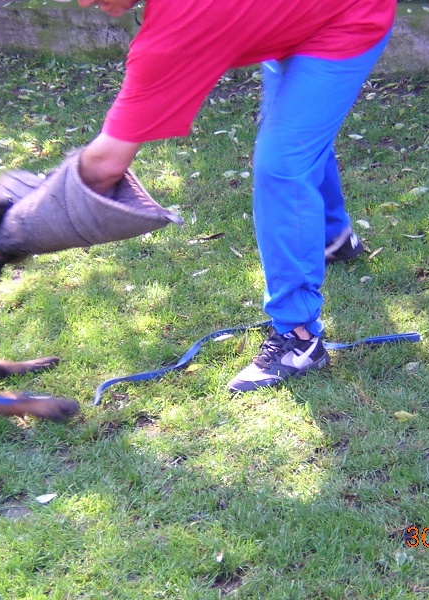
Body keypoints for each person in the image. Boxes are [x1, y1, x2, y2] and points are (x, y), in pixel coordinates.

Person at [76, 0, 396, 393]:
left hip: (349, 15)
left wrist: (11, 224)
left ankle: (299, 340)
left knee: (282, 165)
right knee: (292, 135)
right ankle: (333, 237)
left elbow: (105, 164)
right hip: (294, 22)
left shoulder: (182, 22)